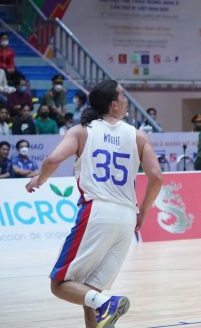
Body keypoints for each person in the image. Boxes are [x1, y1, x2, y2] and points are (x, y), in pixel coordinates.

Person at [25, 79, 163, 328]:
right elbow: (157, 177)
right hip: (126, 217)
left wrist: (39, 179)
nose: (125, 99)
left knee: (59, 284)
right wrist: (143, 211)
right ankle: (104, 305)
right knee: (90, 291)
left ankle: (107, 304)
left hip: (97, 211)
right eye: (122, 95)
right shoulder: (138, 136)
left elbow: (54, 158)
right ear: (112, 105)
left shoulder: (81, 131)